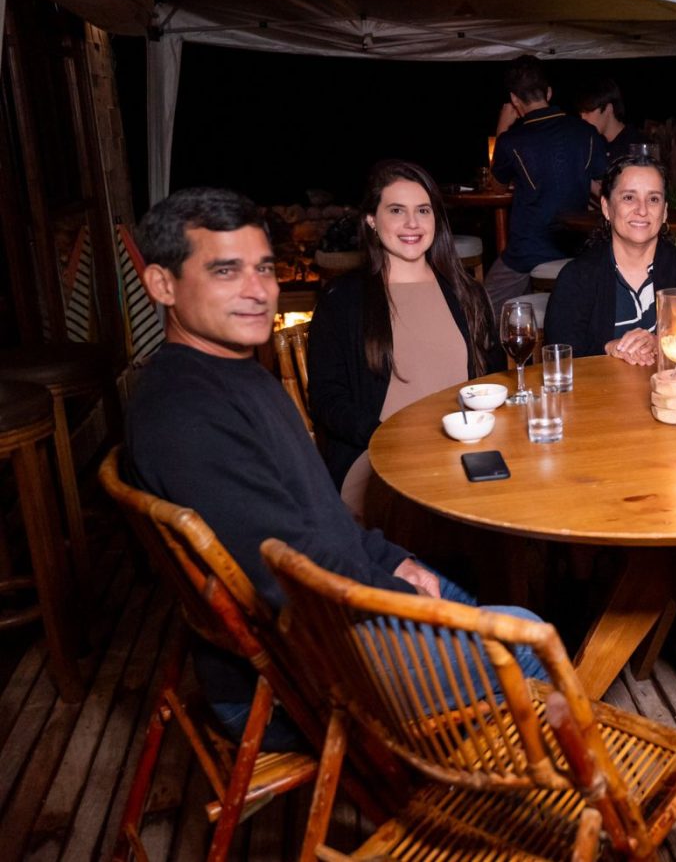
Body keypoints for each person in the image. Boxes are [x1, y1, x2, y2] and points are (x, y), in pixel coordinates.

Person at [126, 186, 545, 748]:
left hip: (337, 614)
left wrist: (392, 560)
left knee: (507, 613)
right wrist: (392, 589)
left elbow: (315, 515)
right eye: (227, 272)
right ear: (162, 284)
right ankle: (551, 819)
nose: (259, 292)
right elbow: (288, 570)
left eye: (265, 268)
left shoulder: (236, 374)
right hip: (298, 672)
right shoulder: (184, 412)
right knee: (530, 642)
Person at [307, 160, 502, 515]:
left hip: (465, 453)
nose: (412, 223)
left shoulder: (466, 293)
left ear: (436, 219)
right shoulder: (344, 301)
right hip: (379, 457)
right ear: (371, 220)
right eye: (397, 210)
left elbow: (495, 377)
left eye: (423, 211)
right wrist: (387, 438)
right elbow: (327, 398)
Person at [544, 155, 676, 364]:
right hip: (599, 395)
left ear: (664, 212)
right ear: (606, 207)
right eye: (629, 197)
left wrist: (664, 345)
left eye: (653, 199)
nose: (642, 209)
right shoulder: (577, 278)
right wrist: (608, 348)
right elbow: (558, 358)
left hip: (673, 395)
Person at [486, 56, 608, 310]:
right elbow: (601, 185)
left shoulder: (512, 140)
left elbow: (496, 187)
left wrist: (502, 126)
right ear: (549, 92)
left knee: (481, 308)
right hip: (576, 249)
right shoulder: (586, 133)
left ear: (514, 100)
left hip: (527, 252)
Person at [577, 77, 647, 164]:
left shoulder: (637, 147)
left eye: (588, 112)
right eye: (581, 113)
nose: (583, 118)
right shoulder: (594, 145)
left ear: (608, 108)